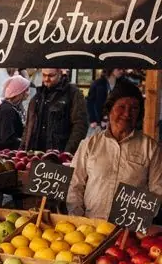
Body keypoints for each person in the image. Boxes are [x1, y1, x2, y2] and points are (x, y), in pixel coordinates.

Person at [67, 80, 162, 220]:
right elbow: (74, 185)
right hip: (90, 229)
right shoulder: (89, 144)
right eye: (121, 107)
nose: (127, 113)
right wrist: (78, 219)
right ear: (110, 109)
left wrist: (140, 219)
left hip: (128, 233)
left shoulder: (151, 149)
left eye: (134, 108)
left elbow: (157, 191)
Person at [22, 67, 88, 155]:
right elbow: (28, 126)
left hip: (59, 154)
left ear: (60, 73)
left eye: (51, 76)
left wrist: (67, 153)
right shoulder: (38, 95)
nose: (46, 79)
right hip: (34, 153)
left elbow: (80, 126)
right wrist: (22, 149)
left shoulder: (73, 94)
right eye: (44, 75)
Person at [0, 73, 31, 151]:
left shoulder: (12, 107)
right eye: (26, 90)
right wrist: (25, 143)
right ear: (19, 92)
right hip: (1, 155)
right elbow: (7, 139)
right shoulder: (7, 111)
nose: (28, 93)